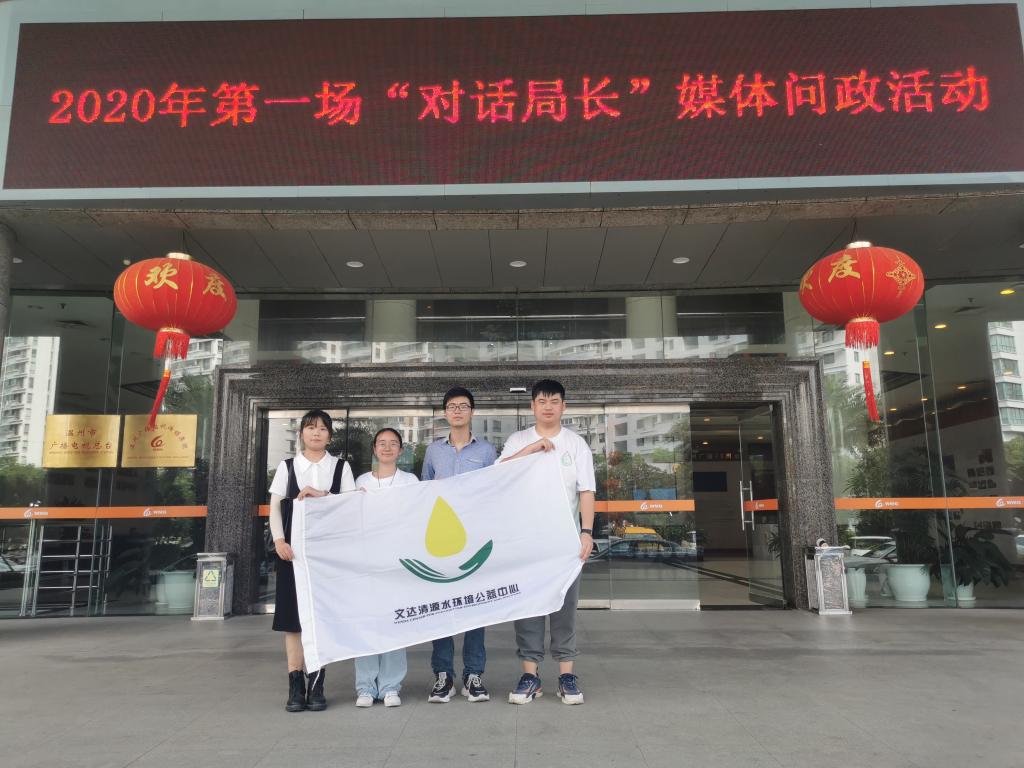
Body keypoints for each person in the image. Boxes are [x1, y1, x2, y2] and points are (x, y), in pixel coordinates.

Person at [499, 379, 596, 705]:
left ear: (563, 406)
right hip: (526, 543)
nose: (548, 406)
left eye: (554, 401)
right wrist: (530, 450)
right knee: (528, 607)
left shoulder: (576, 444)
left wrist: (586, 532)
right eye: (542, 401)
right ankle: (531, 676)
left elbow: (586, 491)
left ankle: (566, 675)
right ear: (533, 406)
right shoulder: (518, 440)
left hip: (565, 543)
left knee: (564, 609)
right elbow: (498, 475)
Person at [268, 409, 355, 713]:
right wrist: (279, 540)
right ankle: (295, 685)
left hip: (326, 558)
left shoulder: (340, 467)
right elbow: (275, 506)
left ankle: (317, 684)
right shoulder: (288, 466)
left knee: (320, 620)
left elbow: (350, 505)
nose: (316, 433)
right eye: (310, 427)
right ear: (302, 433)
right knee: (293, 623)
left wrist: (322, 494)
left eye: (322, 429)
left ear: (330, 435)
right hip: (292, 555)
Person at [420, 386, 497, 703]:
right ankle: (443, 675)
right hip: (440, 541)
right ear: (445, 412)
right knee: (441, 610)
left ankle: (473, 675)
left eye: (463, 406)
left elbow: (494, 491)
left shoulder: (487, 451)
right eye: (452, 406)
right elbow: (423, 495)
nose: (457, 411)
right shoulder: (433, 451)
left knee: (475, 608)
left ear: (472, 412)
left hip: (475, 540)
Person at [352, 427, 418, 709]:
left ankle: (391, 686)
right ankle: (366, 686)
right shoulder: (361, 481)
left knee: (394, 623)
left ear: (401, 450)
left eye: (393, 444)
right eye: (382, 443)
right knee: (367, 623)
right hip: (367, 561)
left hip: (397, 561)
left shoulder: (410, 481)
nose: (387, 448)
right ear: (374, 449)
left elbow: (415, 517)